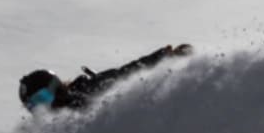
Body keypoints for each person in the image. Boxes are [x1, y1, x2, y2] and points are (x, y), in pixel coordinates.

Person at [18, 43, 193, 112]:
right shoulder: (44, 129)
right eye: (34, 104)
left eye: (43, 98)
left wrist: (164, 56)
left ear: (55, 88)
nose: (41, 108)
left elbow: (127, 73)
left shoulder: (88, 89)